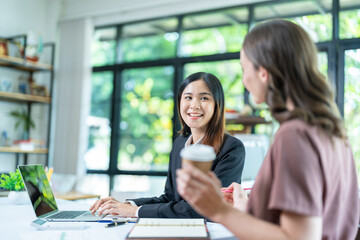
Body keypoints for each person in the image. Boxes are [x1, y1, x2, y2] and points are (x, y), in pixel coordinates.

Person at [176, 19, 359, 239]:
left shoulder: (295, 134)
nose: (244, 80)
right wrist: (248, 210)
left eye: (245, 69)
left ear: (263, 73)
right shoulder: (331, 129)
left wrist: (219, 210)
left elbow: (298, 237)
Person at [90, 72, 245, 218]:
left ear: (217, 104)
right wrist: (127, 205)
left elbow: (206, 207)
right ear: (179, 102)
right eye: (188, 97)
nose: (194, 105)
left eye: (204, 98)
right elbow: (170, 197)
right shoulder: (179, 144)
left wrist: (136, 211)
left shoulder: (231, 148)